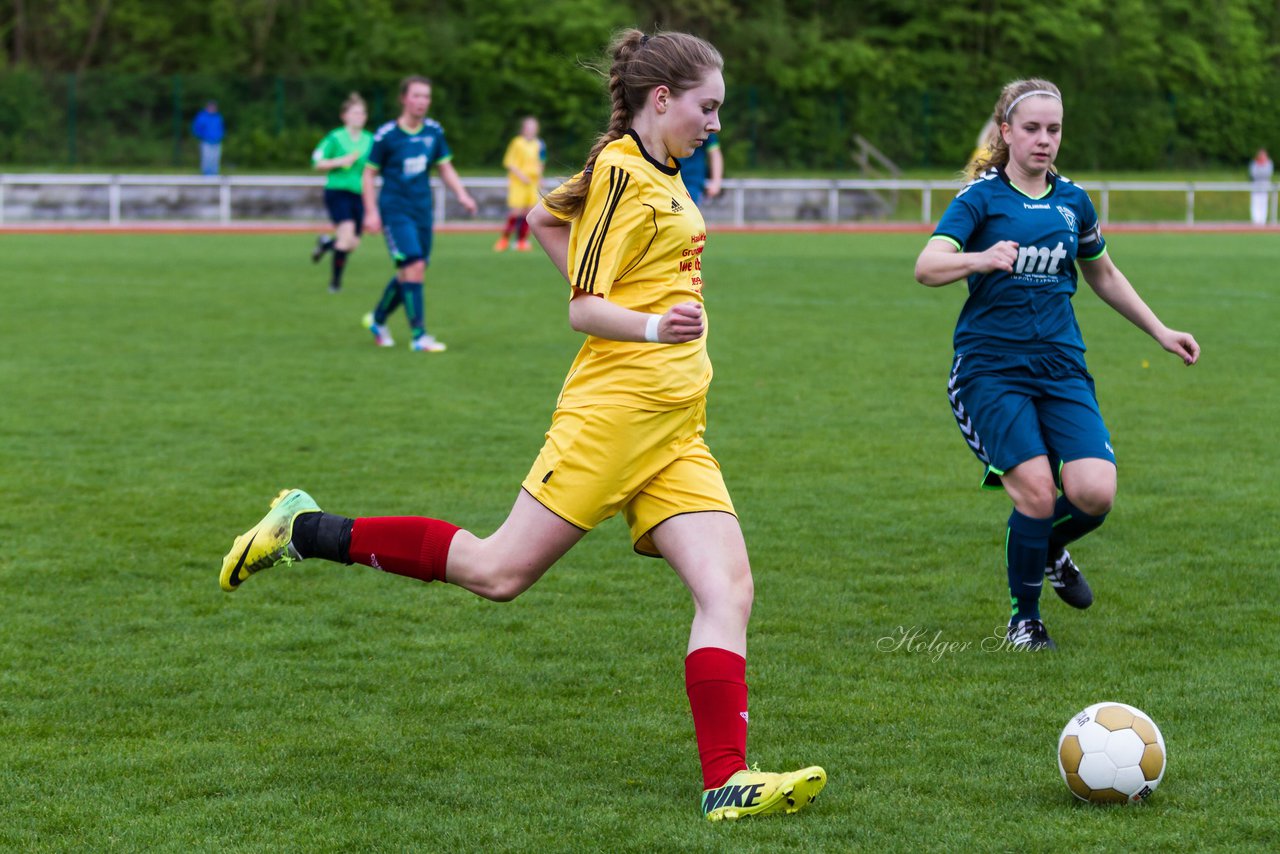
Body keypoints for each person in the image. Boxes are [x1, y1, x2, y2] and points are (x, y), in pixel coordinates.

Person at [220, 29, 826, 823]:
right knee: (498, 571)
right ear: (663, 98)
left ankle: (727, 782)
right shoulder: (621, 172)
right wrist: (649, 328)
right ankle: (304, 529)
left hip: (677, 429)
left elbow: (543, 219)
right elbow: (582, 306)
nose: (717, 122)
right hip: (613, 417)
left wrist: (650, 322)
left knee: (729, 589)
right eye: (708, 107)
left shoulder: (656, 168)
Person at [914, 79, 1201, 651]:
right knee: (1038, 494)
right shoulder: (980, 198)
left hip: (1061, 366)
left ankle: (1045, 548)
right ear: (1006, 133)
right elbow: (927, 265)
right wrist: (982, 257)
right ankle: (1026, 619)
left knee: (1095, 492)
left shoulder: (1073, 201)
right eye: (1032, 129)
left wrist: (1161, 330)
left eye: (1054, 129)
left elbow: (1105, 275)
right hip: (990, 369)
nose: (1044, 140)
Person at [360, 75, 477, 352]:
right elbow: (368, 173)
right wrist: (370, 212)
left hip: (422, 211)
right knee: (413, 265)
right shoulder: (387, 135)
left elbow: (444, 167)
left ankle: (377, 320)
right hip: (395, 211)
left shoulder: (434, 131)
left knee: (412, 270)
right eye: (416, 95)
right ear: (404, 99)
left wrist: (462, 194)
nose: (422, 101)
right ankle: (419, 336)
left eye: (426, 96)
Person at [310, 93, 374, 293]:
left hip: (359, 194)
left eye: (362, 113)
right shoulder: (335, 138)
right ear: (344, 116)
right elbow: (316, 162)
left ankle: (326, 243)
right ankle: (335, 284)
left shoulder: (370, 140)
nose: (359, 116)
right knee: (346, 237)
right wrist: (340, 161)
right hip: (337, 191)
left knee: (352, 243)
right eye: (355, 112)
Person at [494, 116, 546, 252]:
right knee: (516, 212)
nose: (531, 130)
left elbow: (541, 162)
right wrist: (521, 176)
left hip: (532, 182)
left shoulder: (539, 144)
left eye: (534, 127)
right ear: (523, 129)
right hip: (519, 182)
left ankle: (521, 241)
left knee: (529, 212)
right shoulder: (517, 143)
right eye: (529, 127)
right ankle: (504, 239)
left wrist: (540, 178)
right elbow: (509, 163)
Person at [677, 131, 722, 205]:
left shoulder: (704, 125)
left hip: (692, 183)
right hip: (669, 180)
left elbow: (714, 153)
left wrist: (716, 181)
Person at [191, 100, 225, 176]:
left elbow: (221, 128)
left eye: (214, 107)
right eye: (211, 107)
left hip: (216, 141)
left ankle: (214, 175)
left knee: (215, 158)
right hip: (206, 141)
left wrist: (220, 136)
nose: (213, 108)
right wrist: (202, 137)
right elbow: (196, 128)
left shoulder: (218, 117)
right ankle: (206, 175)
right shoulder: (202, 117)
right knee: (206, 158)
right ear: (207, 107)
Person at [1248, 148, 1273, 226]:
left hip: (1265, 187)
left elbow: (1267, 174)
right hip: (1255, 187)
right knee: (1255, 204)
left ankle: (1262, 221)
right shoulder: (1254, 163)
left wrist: (1260, 172)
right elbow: (1253, 174)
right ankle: (1256, 221)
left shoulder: (1269, 163)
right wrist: (1261, 172)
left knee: (1263, 204)